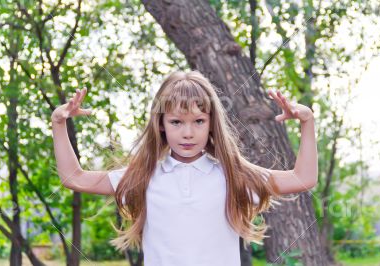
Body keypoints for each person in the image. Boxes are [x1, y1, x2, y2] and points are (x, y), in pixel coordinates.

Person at [51, 70, 318, 266]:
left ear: (212, 123)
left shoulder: (234, 176)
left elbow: (303, 178)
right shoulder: (143, 176)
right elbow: (75, 178)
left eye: (199, 121)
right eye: (177, 122)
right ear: (161, 124)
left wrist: (307, 122)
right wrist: (59, 124)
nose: (188, 133)